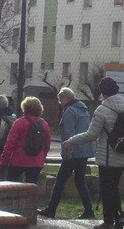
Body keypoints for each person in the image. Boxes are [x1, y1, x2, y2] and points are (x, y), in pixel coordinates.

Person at [64, 76, 124, 229]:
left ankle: (108, 222)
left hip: (108, 157)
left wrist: (72, 140)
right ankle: (118, 216)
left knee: (107, 189)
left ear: (103, 93)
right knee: (113, 187)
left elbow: (91, 135)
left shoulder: (102, 110)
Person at [40, 87, 96, 219]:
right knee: (80, 180)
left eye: (60, 100)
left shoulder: (69, 111)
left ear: (65, 98)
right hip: (84, 151)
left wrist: (67, 154)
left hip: (73, 151)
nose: (60, 103)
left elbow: (69, 134)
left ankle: (51, 209)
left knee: (60, 181)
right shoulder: (83, 110)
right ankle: (89, 210)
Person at [0, 96, 51, 183]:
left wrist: (3, 162)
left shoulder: (19, 122)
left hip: (18, 160)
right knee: (31, 187)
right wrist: (42, 158)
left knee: (11, 186)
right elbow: (47, 145)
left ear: (25, 107)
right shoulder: (44, 124)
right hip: (36, 161)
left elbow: (10, 144)